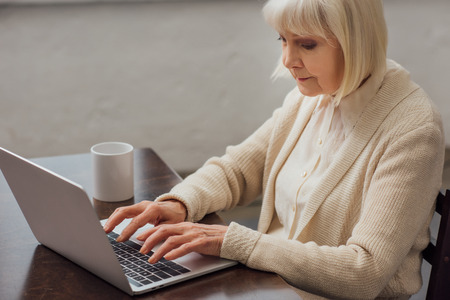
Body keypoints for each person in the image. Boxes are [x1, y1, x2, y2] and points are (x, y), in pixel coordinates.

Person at [104, 0, 445, 298]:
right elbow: (237, 169)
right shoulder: (311, 97)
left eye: (306, 44)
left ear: (355, 42)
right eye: (283, 39)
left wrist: (235, 242)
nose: (287, 60)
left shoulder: (413, 130)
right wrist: (180, 203)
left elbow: (364, 271)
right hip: (269, 284)